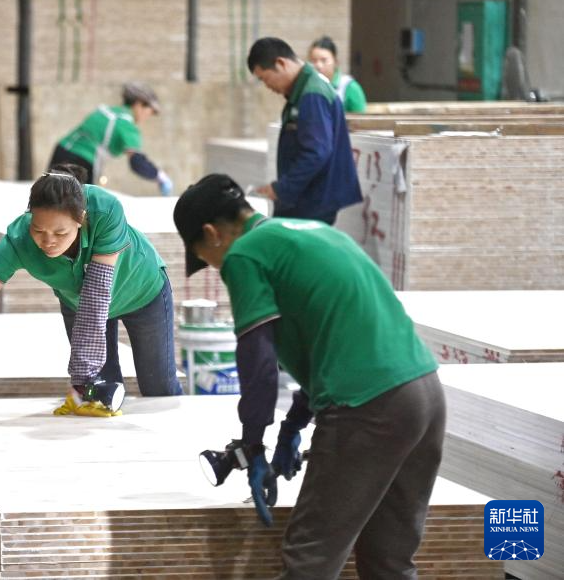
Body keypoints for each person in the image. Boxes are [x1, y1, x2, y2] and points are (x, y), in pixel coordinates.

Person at [173, 173, 444, 579]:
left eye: (205, 257)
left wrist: (253, 444)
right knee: (390, 561)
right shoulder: (317, 233)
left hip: (368, 408)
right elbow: (341, 343)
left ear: (212, 234)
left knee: (310, 561)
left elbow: (258, 361)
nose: (216, 268)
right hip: (425, 395)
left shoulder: (245, 254)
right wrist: (293, 425)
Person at [0, 165, 183, 420]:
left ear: (81, 219)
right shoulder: (18, 241)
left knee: (158, 387)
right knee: (100, 393)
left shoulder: (105, 211)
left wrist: (81, 380)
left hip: (142, 293)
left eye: (60, 233)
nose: (48, 241)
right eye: (38, 230)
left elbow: (97, 294)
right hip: (77, 303)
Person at [247, 37, 362, 225]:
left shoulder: (312, 94)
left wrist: (282, 188)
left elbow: (316, 152)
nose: (267, 86)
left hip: (313, 202)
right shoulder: (303, 91)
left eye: (265, 78)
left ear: (281, 63)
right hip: (306, 198)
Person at [48, 82, 174, 195]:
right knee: (76, 208)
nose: (147, 116)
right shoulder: (127, 124)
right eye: (150, 111)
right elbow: (137, 162)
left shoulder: (105, 110)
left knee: (48, 199)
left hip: (61, 151)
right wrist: (160, 177)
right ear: (139, 104)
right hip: (80, 163)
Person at [308, 35, 367, 113]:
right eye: (313, 61)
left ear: (335, 62)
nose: (318, 66)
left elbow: (360, 118)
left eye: (324, 60)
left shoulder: (349, 87)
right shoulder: (307, 86)